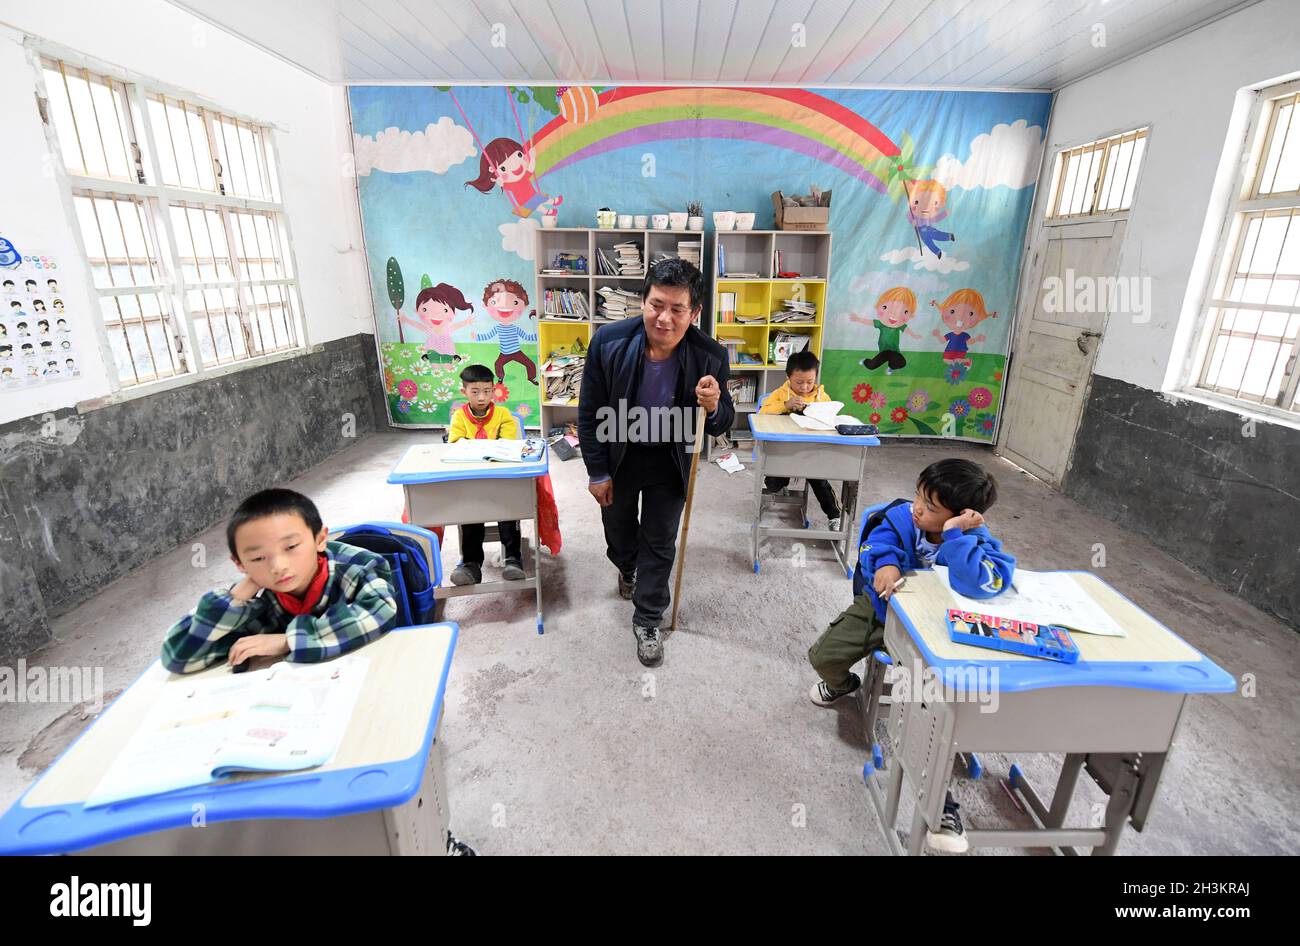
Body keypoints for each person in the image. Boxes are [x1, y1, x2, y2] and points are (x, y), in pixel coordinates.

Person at [806, 458, 1015, 852]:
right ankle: (845, 684)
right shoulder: (902, 517)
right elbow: (876, 543)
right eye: (920, 495)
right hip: (882, 612)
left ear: (964, 516)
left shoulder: (977, 542)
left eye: (932, 507)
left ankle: (941, 804)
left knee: (924, 711)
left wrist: (956, 537)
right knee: (823, 656)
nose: (918, 507)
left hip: (933, 634)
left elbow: (981, 586)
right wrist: (884, 564)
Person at [578, 258, 733, 666]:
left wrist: (714, 405)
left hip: (670, 460)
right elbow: (590, 411)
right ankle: (627, 567)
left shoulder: (710, 355)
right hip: (620, 452)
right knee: (619, 532)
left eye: (677, 309)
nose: (664, 318)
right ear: (642, 302)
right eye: (656, 305)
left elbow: (722, 422)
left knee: (660, 539)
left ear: (694, 312)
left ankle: (648, 618)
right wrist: (597, 471)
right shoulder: (608, 342)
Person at [161, 488, 397, 673]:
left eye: (291, 547)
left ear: (320, 539)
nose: (277, 566)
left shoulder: (358, 566)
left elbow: (379, 611)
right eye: (258, 557)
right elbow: (179, 655)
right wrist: (239, 593)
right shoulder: (260, 599)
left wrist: (287, 641)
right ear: (239, 564)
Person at [447, 363, 526, 585]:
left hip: (501, 478)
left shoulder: (502, 415)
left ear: (494, 389)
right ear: (464, 392)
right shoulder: (459, 417)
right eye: (475, 392)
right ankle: (471, 564)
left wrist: (475, 447)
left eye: (487, 391)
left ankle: (513, 558)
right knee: (470, 514)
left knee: (509, 509)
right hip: (471, 480)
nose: (482, 397)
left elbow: (509, 446)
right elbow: (455, 447)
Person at [759, 349, 843, 529]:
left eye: (810, 382)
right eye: (799, 382)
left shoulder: (822, 397)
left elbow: (830, 420)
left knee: (820, 481)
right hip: (783, 451)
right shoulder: (780, 394)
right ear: (788, 377)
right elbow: (763, 412)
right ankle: (779, 487)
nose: (805, 387)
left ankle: (835, 516)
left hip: (812, 452)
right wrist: (785, 405)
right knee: (774, 483)